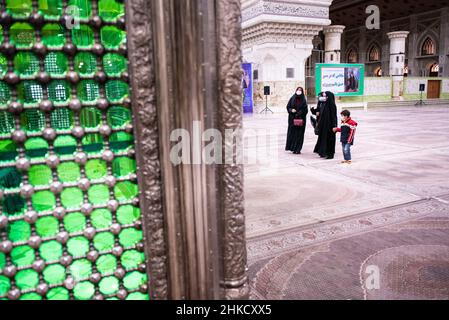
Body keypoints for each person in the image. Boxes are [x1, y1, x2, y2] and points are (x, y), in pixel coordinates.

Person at [313, 91, 338, 159]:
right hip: (323, 125)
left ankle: (330, 155)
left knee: (330, 140)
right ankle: (323, 152)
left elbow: (333, 117)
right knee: (323, 139)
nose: (324, 98)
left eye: (326, 96)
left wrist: (334, 126)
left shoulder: (332, 105)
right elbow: (320, 114)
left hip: (330, 126)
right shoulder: (324, 104)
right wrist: (314, 111)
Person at [285, 87, 308, 154]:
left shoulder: (304, 100)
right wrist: (291, 110)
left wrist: (298, 113)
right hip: (292, 120)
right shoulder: (292, 98)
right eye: (298, 90)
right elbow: (288, 107)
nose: (299, 91)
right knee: (293, 134)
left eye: (300, 90)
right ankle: (292, 148)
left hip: (301, 120)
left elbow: (305, 110)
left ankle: (298, 149)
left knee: (299, 135)